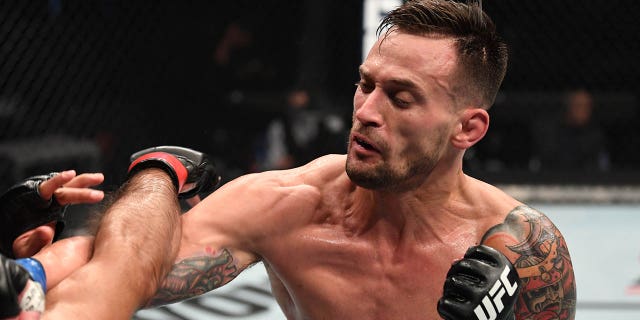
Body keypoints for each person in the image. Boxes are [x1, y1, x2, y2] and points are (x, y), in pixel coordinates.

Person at [41, 1, 576, 319]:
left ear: (469, 128)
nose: (366, 111)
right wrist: (28, 271)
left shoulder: (521, 247)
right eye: (365, 85)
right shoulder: (288, 206)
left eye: (401, 97)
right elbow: (121, 270)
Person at [533, 88, 610, 172]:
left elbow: (599, 165)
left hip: (584, 180)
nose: (584, 111)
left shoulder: (595, 135)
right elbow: (543, 160)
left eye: (588, 106)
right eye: (579, 106)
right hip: (551, 179)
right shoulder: (549, 130)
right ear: (569, 106)